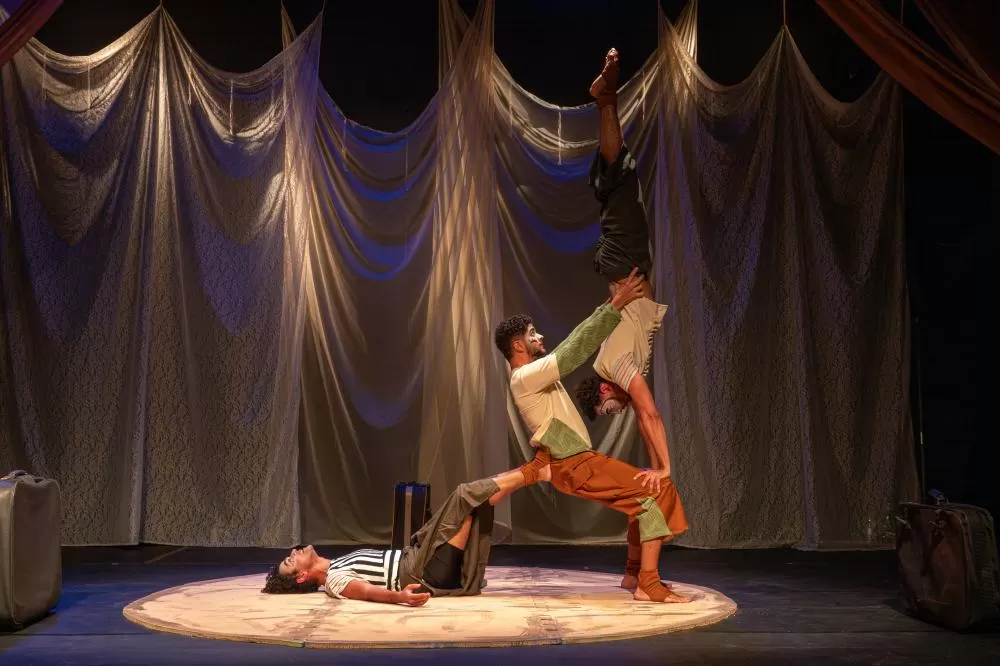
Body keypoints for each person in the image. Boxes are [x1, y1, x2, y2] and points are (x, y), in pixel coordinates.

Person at [495, 271, 690, 604]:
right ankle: (647, 583)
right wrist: (613, 307)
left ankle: (634, 575)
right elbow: (573, 350)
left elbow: (575, 341)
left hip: (576, 462)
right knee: (654, 492)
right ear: (517, 345)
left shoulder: (532, 375)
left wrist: (609, 307)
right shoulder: (525, 376)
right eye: (532, 334)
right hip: (575, 463)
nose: (539, 336)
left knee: (642, 497)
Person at [573, 46, 675, 521]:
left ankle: (605, 98)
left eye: (608, 410)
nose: (616, 412)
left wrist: (666, 468)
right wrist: (654, 465)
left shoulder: (615, 367)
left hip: (624, 264)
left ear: (604, 393)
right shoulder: (615, 374)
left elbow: (649, 413)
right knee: (617, 184)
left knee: (621, 179)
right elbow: (644, 418)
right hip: (625, 265)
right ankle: (606, 100)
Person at [261, 466, 548, 605]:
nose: (294, 551)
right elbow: (365, 592)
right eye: (290, 560)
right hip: (419, 570)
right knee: (465, 495)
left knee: (476, 502)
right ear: (302, 577)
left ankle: (538, 468)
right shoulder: (333, 579)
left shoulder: (336, 564)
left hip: (417, 558)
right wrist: (399, 597)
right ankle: (538, 471)